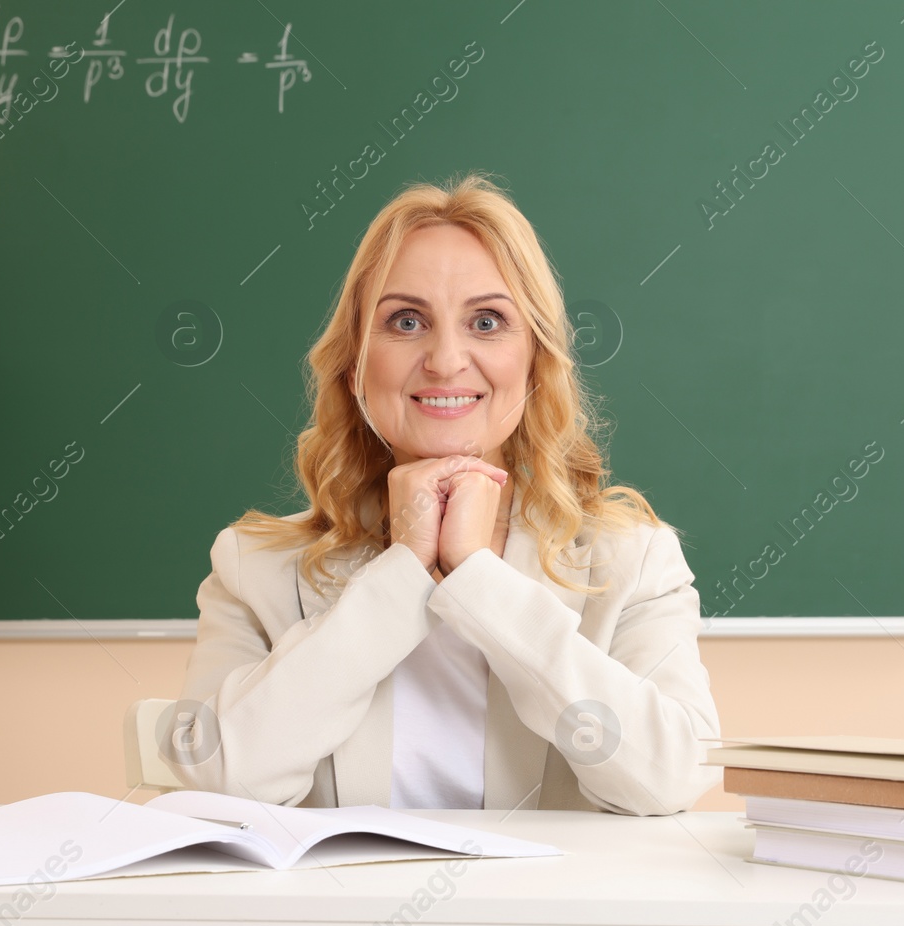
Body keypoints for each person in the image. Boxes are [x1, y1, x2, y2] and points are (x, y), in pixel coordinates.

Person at [173, 173, 721, 816]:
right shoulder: (252, 567)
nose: (445, 359)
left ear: (535, 362)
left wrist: (478, 580)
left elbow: (667, 782)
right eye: (406, 321)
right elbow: (218, 789)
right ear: (355, 366)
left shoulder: (633, 562)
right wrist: (400, 574)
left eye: (487, 322)